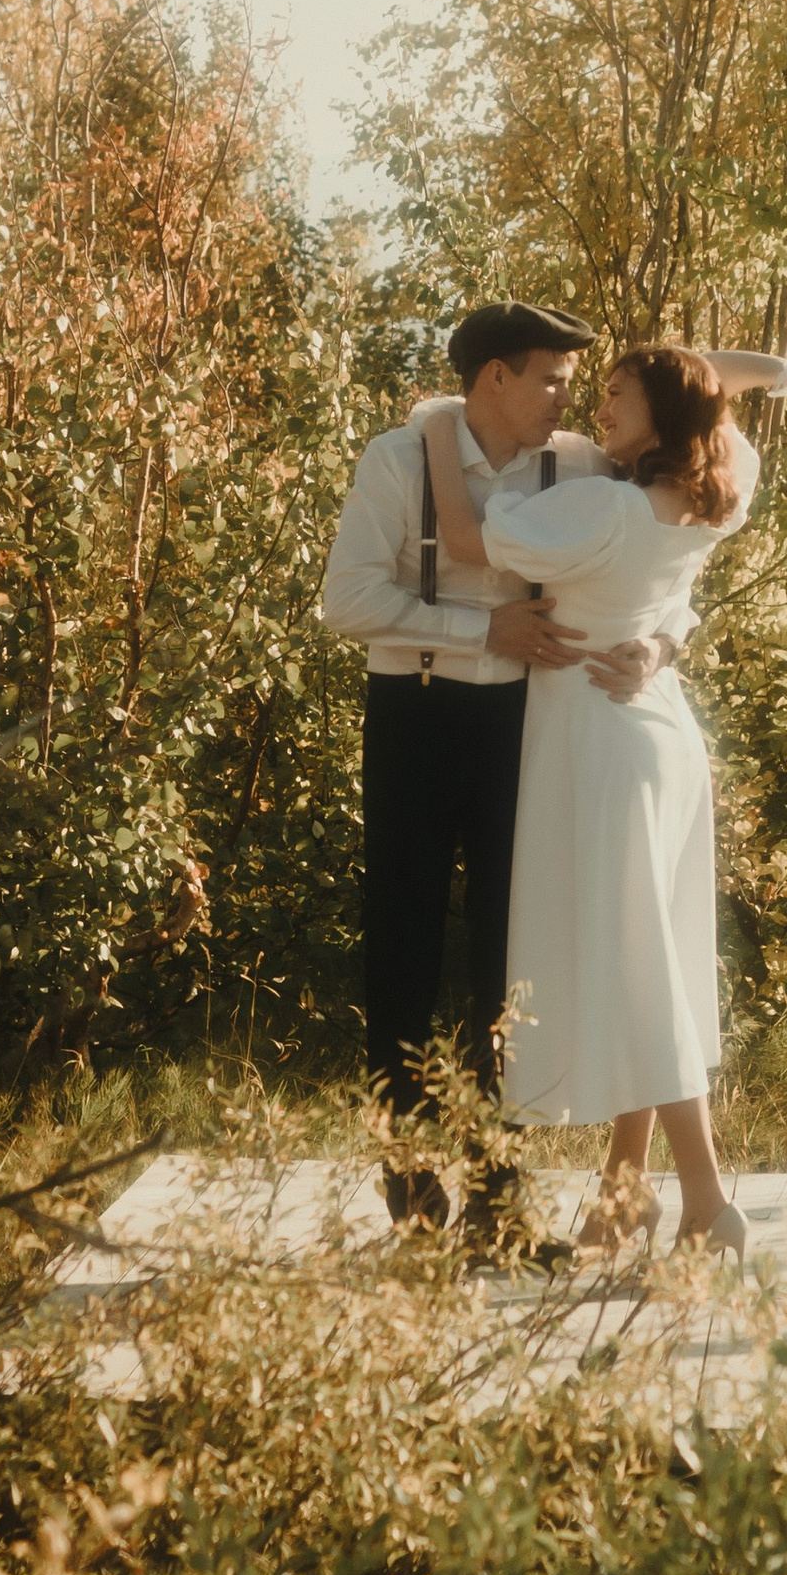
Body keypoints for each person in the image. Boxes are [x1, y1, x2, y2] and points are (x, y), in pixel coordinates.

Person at [412, 340, 787, 1257]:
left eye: (618, 394)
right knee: (642, 959)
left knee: (642, 973)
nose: (601, 407)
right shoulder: (717, 491)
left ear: (662, 414)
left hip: (601, 745)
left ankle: (707, 1198)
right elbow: (701, 377)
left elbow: (462, 538)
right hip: (659, 731)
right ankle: (623, 1191)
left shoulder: (603, 509)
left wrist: (436, 427)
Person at [320, 301, 681, 1227]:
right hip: (415, 714)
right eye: (552, 380)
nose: (569, 400)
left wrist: (661, 645)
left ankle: (496, 1193)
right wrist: (482, 628)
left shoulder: (581, 467)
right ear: (495, 378)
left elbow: (666, 566)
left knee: (510, 956)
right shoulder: (399, 459)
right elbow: (347, 599)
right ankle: (407, 1181)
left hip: (526, 724)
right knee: (402, 948)